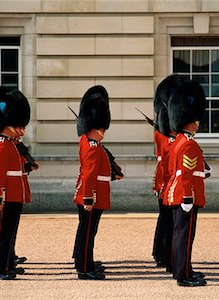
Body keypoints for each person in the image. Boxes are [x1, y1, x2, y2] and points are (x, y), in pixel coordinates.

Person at [0, 87, 37, 280]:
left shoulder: (9, 142)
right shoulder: (1, 144)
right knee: (1, 233)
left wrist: (28, 166)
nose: (22, 130)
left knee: (8, 232)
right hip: (6, 194)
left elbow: (14, 166)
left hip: (14, 193)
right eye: (19, 125)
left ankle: (5, 264)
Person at [73, 85, 123, 280]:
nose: (104, 131)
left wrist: (112, 175)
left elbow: (97, 171)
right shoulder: (92, 146)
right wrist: (88, 198)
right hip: (91, 195)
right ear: (95, 128)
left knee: (88, 231)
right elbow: (89, 174)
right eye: (102, 128)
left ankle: (84, 261)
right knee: (87, 232)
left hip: (92, 192)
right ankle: (85, 268)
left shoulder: (90, 143)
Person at [164, 80, 208, 287]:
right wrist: (188, 197)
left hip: (178, 193)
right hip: (185, 195)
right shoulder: (188, 143)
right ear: (189, 120)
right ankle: (183, 276)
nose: (198, 124)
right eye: (196, 120)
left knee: (181, 235)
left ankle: (184, 269)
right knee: (185, 236)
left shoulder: (179, 141)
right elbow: (186, 173)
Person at [152, 75, 180, 268]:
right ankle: (166, 256)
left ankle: (160, 253)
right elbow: (166, 163)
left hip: (165, 182)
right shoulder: (167, 137)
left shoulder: (164, 134)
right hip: (167, 183)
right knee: (170, 222)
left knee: (165, 221)